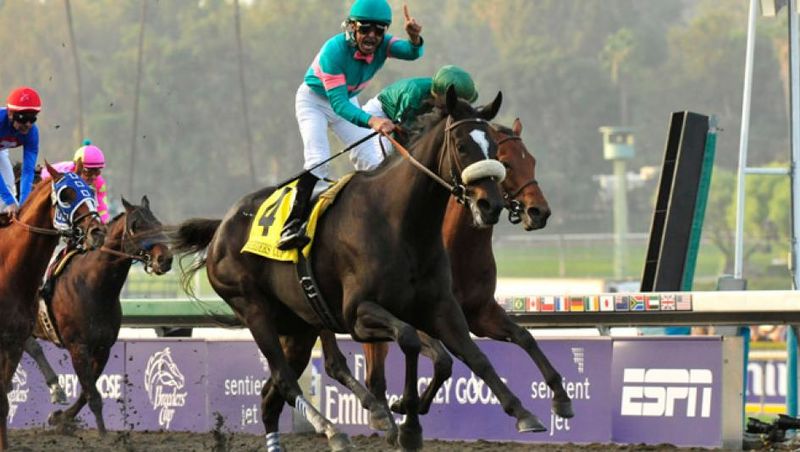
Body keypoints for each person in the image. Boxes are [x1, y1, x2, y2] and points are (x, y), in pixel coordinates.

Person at [278, 0, 424, 250]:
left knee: (375, 164)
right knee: (318, 160)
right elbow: (339, 105)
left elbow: (413, 54)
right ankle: (291, 226)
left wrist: (415, 40)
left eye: (379, 31)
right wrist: (373, 120)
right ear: (351, 27)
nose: (371, 36)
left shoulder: (383, 45)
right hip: (315, 101)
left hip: (347, 100)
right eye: (365, 28)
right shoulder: (333, 51)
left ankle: (379, 223)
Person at [361, 64, 478, 153]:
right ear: (439, 95)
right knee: (380, 162)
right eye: (452, 102)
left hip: (400, 120)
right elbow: (402, 132)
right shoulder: (413, 94)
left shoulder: (439, 94)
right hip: (378, 116)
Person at [41, 140, 111, 224]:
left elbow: (102, 208)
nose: (93, 176)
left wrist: (104, 224)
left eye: (97, 172)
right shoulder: (66, 172)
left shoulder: (99, 182)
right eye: (88, 172)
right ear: (78, 167)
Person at [0, 86, 41, 217]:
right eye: (23, 118)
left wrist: (24, 204)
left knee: (9, 185)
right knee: (8, 199)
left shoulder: (32, 133)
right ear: (10, 114)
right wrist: (9, 201)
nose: (28, 124)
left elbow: (28, 171)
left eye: (33, 118)